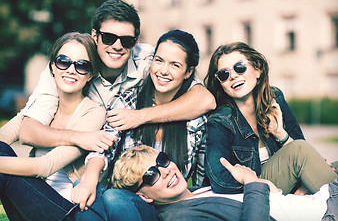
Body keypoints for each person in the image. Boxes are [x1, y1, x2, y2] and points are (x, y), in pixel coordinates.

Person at [0, 0, 215, 154]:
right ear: (95, 35)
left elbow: (205, 100)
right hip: (66, 159)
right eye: (109, 37)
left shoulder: (152, 60)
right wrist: (83, 139)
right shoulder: (68, 65)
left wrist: (140, 116)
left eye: (127, 40)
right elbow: (27, 129)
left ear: (136, 41)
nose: (118, 46)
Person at [72, 29, 208, 220]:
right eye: (159, 60)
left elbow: (202, 178)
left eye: (175, 65)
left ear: (188, 72)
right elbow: (105, 144)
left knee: (111, 197)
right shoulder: (129, 101)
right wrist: (90, 176)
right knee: (86, 190)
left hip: (172, 210)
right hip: (128, 204)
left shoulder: (195, 118)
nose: (163, 71)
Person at [204, 42, 337, 195]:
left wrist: (280, 134)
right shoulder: (220, 122)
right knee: (300, 151)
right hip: (255, 192)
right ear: (220, 83)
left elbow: (300, 147)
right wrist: (259, 184)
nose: (233, 75)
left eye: (239, 67)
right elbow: (219, 181)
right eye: (224, 74)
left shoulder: (275, 98)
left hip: (286, 183)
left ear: (258, 69)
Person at [0, 32, 107, 220]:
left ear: (90, 75)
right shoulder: (46, 105)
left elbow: (45, 166)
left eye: (82, 65)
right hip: (32, 201)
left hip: (66, 211)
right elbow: (4, 136)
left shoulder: (93, 113)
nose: (71, 70)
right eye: (64, 62)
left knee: (5, 173)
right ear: (53, 67)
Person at [111, 145, 338, 221]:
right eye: (151, 175)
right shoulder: (182, 217)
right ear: (144, 196)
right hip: (327, 210)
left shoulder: (198, 192)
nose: (166, 170)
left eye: (162, 160)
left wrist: (282, 192)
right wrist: (252, 183)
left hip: (319, 199)